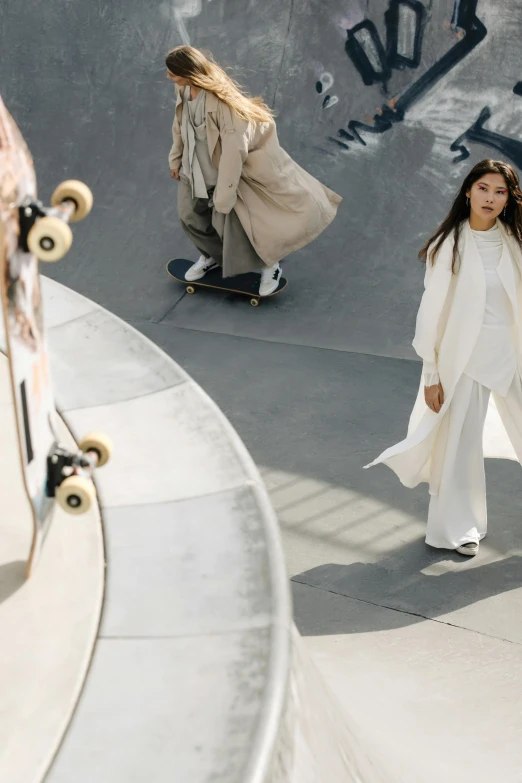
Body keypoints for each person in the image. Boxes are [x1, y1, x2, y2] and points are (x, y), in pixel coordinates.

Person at [365, 159, 522, 557]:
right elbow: (430, 315)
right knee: (459, 449)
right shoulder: (447, 246)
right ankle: (456, 529)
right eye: (483, 188)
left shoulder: (514, 240)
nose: (490, 197)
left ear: (509, 199)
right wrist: (432, 374)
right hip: (466, 360)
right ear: (468, 191)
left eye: (500, 191)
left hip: (514, 356)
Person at [165, 46, 341, 296]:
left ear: (188, 72)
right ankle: (212, 256)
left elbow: (234, 151)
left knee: (238, 226)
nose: (168, 76)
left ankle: (271, 265)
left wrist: (224, 196)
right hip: (193, 170)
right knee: (190, 217)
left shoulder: (222, 103)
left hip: (223, 173)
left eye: (172, 73)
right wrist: (176, 160)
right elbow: (179, 127)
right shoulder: (183, 91)